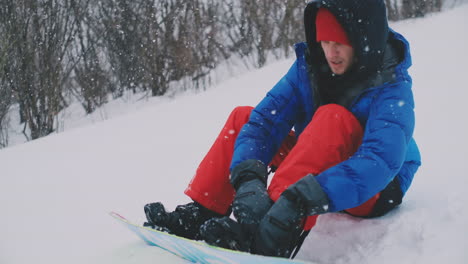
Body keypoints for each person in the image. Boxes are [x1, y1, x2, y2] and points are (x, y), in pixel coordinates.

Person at [144, 0, 421, 258]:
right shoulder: (311, 66)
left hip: (375, 187)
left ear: (363, 40)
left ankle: (274, 232)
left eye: (340, 43)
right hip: (321, 157)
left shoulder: (392, 85)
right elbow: (264, 123)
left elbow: (379, 162)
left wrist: (297, 200)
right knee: (244, 118)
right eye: (324, 41)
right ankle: (203, 210)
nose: (330, 52)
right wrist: (248, 179)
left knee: (332, 117)